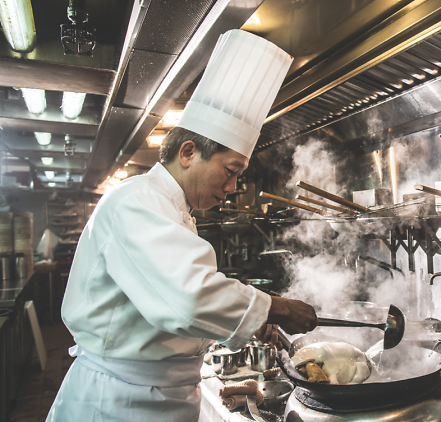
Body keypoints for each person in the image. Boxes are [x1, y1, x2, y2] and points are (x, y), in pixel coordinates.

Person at [46, 30, 315, 421]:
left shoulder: (174, 210)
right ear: (188, 152)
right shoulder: (138, 201)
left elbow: (165, 308)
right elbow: (187, 300)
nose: (233, 187)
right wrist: (276, 308)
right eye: (230, 171)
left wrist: (248, 324)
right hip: (117, 403)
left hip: (157, 397)